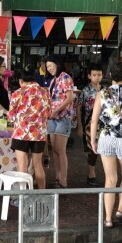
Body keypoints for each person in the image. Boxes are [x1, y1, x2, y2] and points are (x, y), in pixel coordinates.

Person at [89, 62, 122, 228]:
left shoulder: (102, 93)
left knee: (110, 179)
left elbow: (94, 119)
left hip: (106, 137)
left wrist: (93, 140)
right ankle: (120, 210)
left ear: (110, 75)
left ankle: (107, 219)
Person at [8, 69, 51, 190]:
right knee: (38, 165)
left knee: (22, 166)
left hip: (22, 133)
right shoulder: (45, 92)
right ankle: (42, 192)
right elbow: (49, 113)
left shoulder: (17, 93)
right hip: (39, 134)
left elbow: (11, 116)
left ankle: (23, 195)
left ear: (21, 81)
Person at [45, 56, 75, 188]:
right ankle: (57, 177)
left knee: (61, 150)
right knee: (55, 150)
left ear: (57, 64)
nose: (49, 68)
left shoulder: (65, 77)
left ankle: (63, 180)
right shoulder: (53, 80)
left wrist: (57, 110)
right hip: (52, 117)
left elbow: (69, 98)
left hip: (63, 117)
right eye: (47, 67)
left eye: (50, 65)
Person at [77, 63, 104, 185]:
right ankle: (91, 175)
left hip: (103, 124)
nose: (97, 77)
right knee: (92, 149)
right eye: (94, 75)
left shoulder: (105, 90)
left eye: (99, 75)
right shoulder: (85, 91)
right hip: (89, 124)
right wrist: (80, 126)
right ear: (89, 76)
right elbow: (78, 107)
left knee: (102, 148)